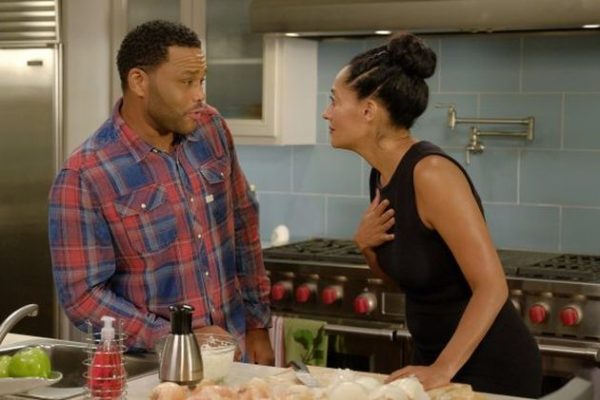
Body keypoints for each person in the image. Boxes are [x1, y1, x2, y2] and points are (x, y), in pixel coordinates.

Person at [322, 33, 542, 397]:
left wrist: (443, 368)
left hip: (489, 366)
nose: (326, 113)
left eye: (334, 100)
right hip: (433, 360)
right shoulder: (382, 174)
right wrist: (366, 247)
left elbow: (492, 286)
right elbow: (409, 278)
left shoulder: (432, 173)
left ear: (368, 111)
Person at [48, 20, 274, 365]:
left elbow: (243, 224)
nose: (199, 95)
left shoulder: (211, 128)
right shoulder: (85, 175)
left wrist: (257, 324)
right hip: (153, 368)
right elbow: (83, 298)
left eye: (201, 81)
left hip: (235, 356)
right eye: (186, 82)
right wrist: (175, 338)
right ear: (139, 81)